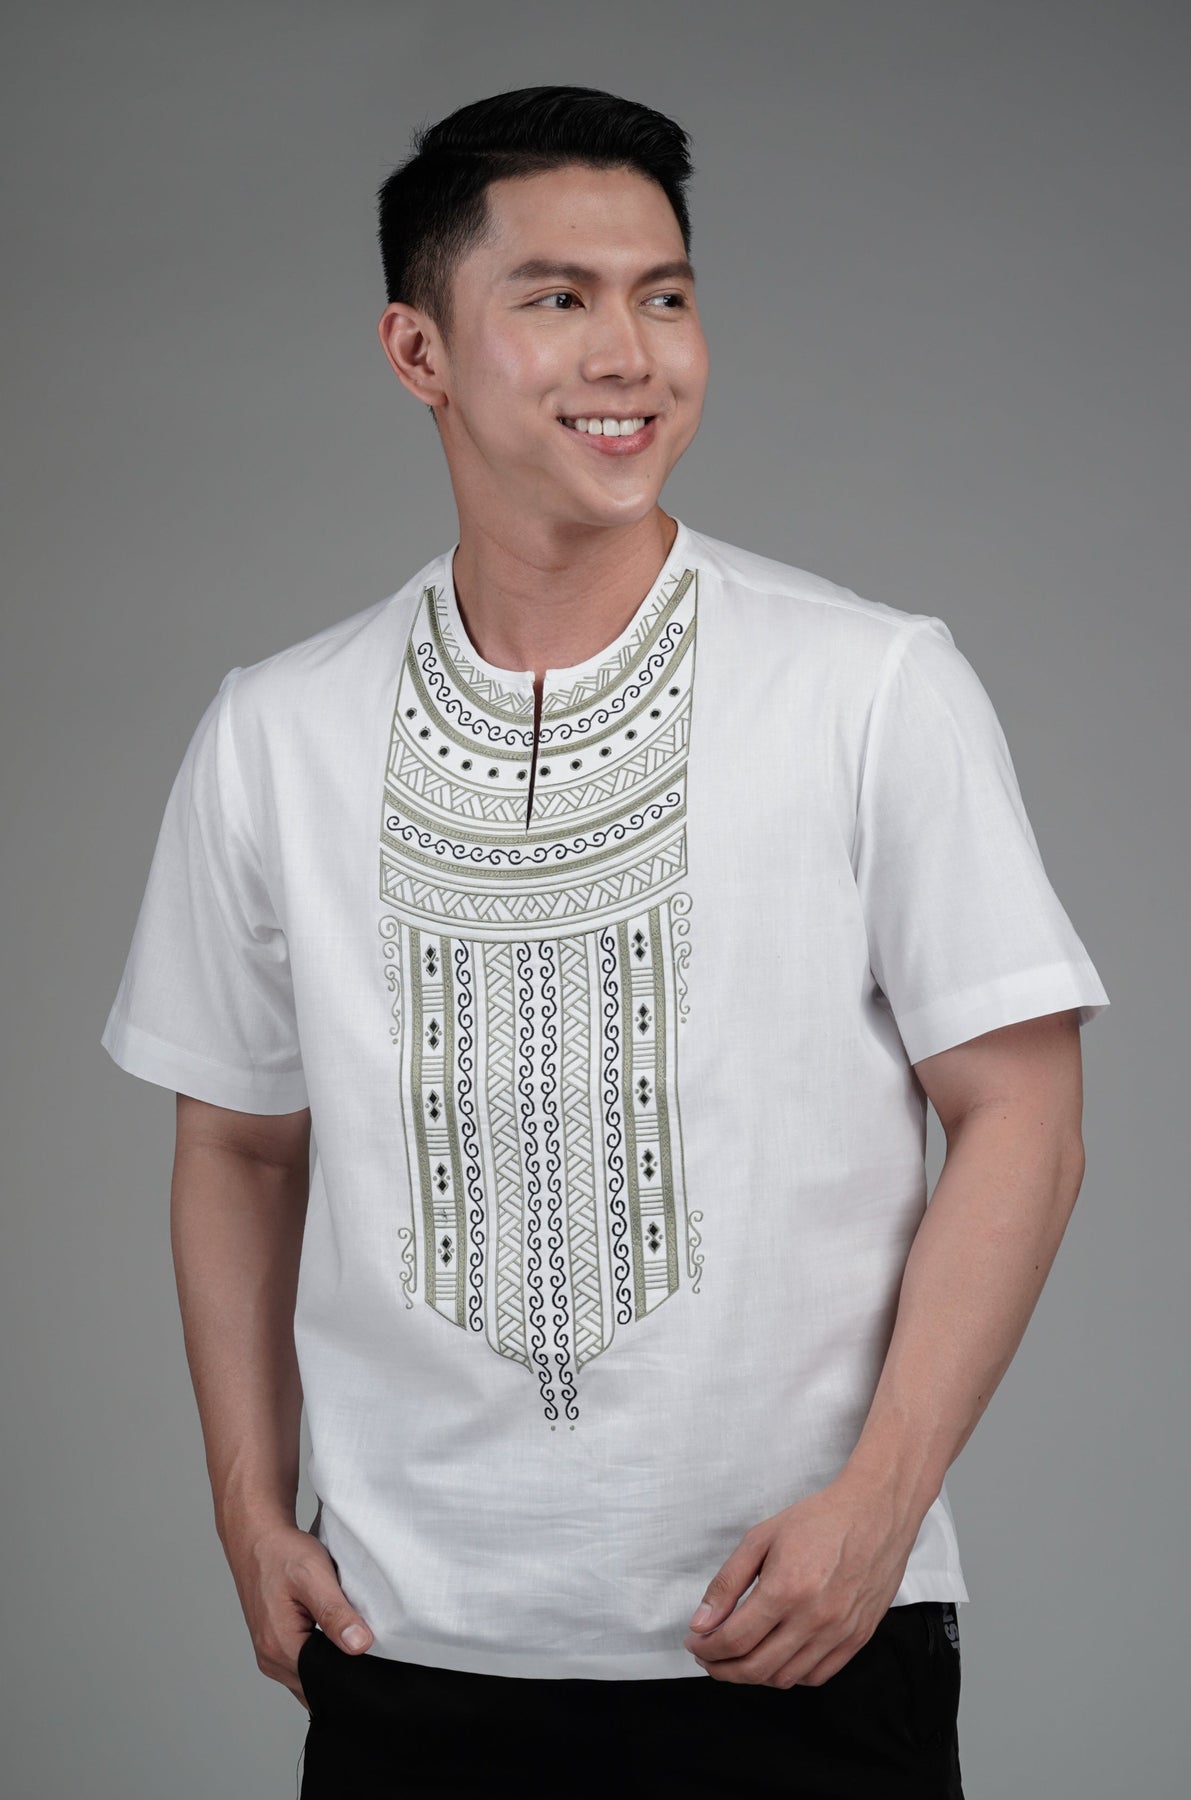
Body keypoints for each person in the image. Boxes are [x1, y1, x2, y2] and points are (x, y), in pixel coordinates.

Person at [100, 85, 1109, 1800]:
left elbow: (1024, 1110)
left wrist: (878, 1510)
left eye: (666, 295)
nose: (629, 353)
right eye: (558, 297)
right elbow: (239, 1145)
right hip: (408, 1655)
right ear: (418, 351)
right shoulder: (277, 731)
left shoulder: (870, 686)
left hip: (803, 1641)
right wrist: (246, 1510)